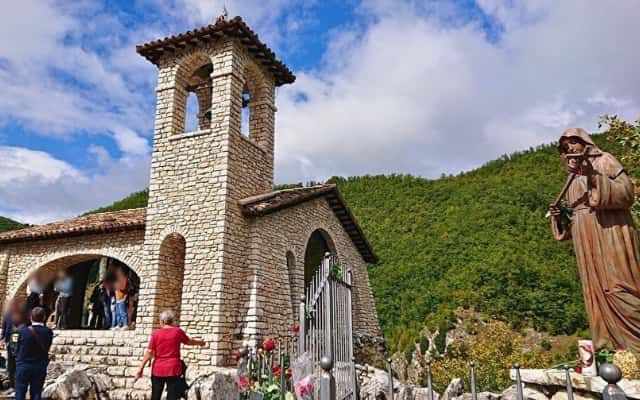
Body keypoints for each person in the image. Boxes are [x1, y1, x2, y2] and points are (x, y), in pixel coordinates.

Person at [550, 127, 640, 351]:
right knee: (596, 291)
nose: (569, 148)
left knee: (618, 285)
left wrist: (592, 175)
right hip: (585, 239)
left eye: (572, 142)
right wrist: (560, 217)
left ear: (584, 141)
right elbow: (575, 220)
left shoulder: (605, 161)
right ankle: (610, 347)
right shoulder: (570, 179)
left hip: (609, 231)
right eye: (564, 147)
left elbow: (627, 193)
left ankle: (635, 344)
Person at [134, 310, 205, 400]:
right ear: (172, 321)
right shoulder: (177, 332)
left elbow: (149, 352)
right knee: (172, 397)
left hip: (158, 369)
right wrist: (200, 343)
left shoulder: (156, 334)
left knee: (155, 396)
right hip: (173, 369)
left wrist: (140, 369)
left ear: (162, 321)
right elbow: (189, 341)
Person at [14, 307, 53, 400]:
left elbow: (17, 347)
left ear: (31, 317)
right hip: (40, 365)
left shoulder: (23, 331)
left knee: (20, 391)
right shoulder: (48, 332)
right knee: (36, 392)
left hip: (24, 364)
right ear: (44, 318)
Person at [5, 308, 27, 393]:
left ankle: (18, 387)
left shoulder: (24, 328)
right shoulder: (11, 326)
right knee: (11, 369)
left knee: (18, 370)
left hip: (20, 351)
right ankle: (13, 386)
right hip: (11, 349)